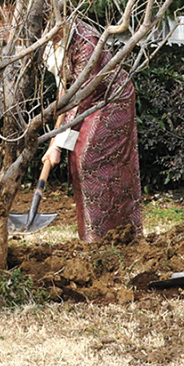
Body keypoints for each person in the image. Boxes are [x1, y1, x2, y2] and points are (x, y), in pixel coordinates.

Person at [42, 20, 142, 242]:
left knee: (89, 159)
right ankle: (93, 235)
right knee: (78, 158)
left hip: (112, 99)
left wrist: (58, 145)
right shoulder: (53, 41)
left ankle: (114, 233)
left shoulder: (87, 42)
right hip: (86, 98)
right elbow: (66, 91)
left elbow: (81, 99)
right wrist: (53, 142)